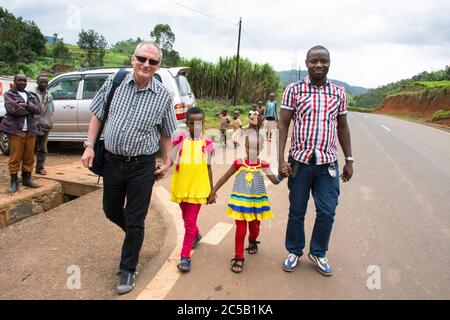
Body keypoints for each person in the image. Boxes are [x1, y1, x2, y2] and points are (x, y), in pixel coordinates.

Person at [81, 41, 178, 295]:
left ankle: (127, 268)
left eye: (152, 61)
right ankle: (135, 236)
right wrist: (89, 146)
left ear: (158, 66)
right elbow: (97, 115)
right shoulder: (115, 81)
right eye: (142, 59)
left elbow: (167, 134)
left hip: (142, 166)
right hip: (112, 161)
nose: (146, 64)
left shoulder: (163, 96)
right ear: (133, 59)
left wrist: (168, 160)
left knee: (135, 219)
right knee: (111, 210)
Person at [278, 45, 353, 276]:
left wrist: (349, 159)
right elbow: (283, 124)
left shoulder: (339, 92)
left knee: (327, 211)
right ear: (307, 62)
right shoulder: (293, 90)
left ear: (329, 62)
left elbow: (342, 127)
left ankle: (318, 252)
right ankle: (294, 251)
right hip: (299, 162)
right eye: (314, 61)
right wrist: (280, 158)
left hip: (327, 163)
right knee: (297, 210)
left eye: (323, 61)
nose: (318, 65)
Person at [208, 132, 281, 273]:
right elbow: (225, 177)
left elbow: (275, 181)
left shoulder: (263, 165)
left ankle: (253, 240)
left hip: (256, 205)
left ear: (262, 148)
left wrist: (284, 174)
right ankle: (239, 257)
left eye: (256, 148)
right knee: (240, 231)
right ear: (245, 146)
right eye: (249, 147)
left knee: (255, 229)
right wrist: (214, 190)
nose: (252, 151)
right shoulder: (238, 163)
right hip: (240, 204)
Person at [170, 107, 214, 272]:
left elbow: (209, 168)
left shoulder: (207, 144)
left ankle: (185, 257)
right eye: (191, 123)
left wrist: (212, 190)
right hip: (182, 188)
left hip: (198, 190)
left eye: (199, 123)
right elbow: (171, 159)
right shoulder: (180, 140)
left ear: (203, 123)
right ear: (186, 123)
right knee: (186, 219)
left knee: (188, 223)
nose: (195, 126)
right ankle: (196, 235)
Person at [0, 74, 41, 193]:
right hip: (16, 131)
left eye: (24, 80)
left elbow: (38, 109)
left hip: (31, 131)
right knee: (15, 157)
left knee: (29, 157)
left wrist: (26, 105)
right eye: (19, 80)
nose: (22, 82)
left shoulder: (30, 95)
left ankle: (27, 179)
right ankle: (13, 181)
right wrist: (29, 109)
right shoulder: (9, 94)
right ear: (14, 81)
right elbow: (13, 109)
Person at [31, 75, 55, 176]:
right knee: (30, 148)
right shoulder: (32, 94)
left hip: (45, 125)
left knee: (43, 148)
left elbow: (52, 109)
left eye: (46, 82)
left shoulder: (49, 95)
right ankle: (26, 171)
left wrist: (48, 120)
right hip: (33, 125)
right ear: (37, 82)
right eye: (41, 82)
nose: (44, 84)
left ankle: (40, 168)